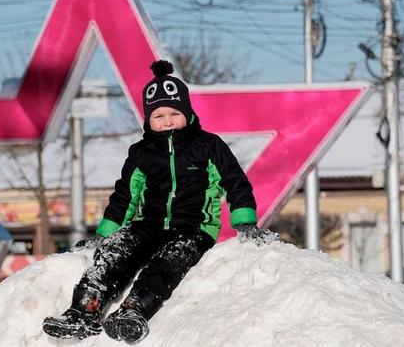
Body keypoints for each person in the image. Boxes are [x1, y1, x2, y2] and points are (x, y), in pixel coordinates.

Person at [42, 60, 276, 342]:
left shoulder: (208, 146)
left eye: (174, 113)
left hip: (194, 228)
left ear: (187, 113)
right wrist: (105, 234)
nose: (166, 120)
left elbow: (234, 182)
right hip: (147, 225)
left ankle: (135, 309)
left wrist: (244, 221)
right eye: (159, 115)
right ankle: (84, 310)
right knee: (115, 254)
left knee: (168, 263)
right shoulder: (141, 152)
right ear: (148, 119)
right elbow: (125, 195)